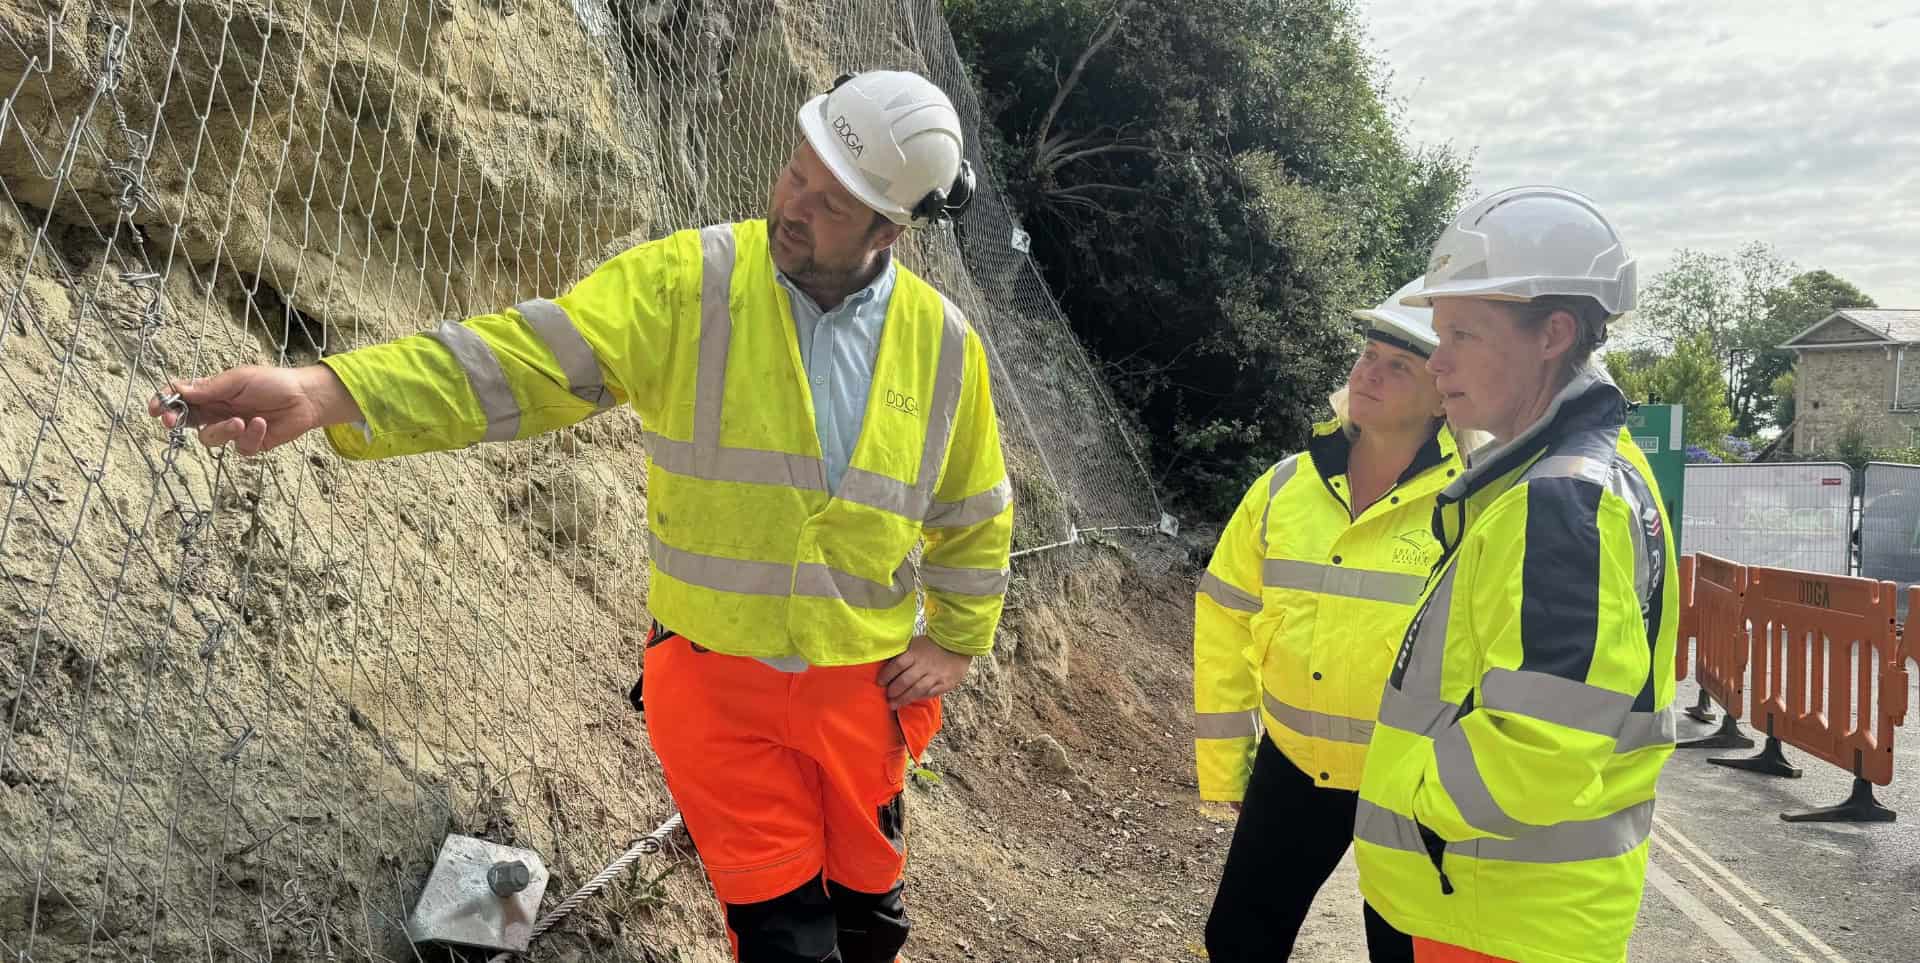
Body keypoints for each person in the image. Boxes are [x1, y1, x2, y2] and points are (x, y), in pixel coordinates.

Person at [149, 69, 1013, 963]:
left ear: (890, 227)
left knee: (871, 923)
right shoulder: (694, 283)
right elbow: (517, 362)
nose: (793, 204)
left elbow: (975, 509)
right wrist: (327, 389)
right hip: (720, 695)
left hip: (859, 697)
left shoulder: (944, 344)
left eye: (831, 203)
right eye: (796, 170)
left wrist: (956, 637)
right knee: (786, 938)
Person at [1351, 186, 1679, 963]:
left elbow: (1544, 746)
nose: (1440, 362)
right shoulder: (1563, 474)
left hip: (1498, 915)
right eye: (1439, 334)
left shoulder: (1563, 498)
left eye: (1463, 333)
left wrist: (1415, 798)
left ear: (1552, 334)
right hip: (1493, 903)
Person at [1194, 279, 1477, 962]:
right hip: (1295, 764)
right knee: (1237, 940)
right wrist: (1229, 767)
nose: (1368, 372)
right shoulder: (1284, 487)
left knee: (1405, 954)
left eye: (1397, 364)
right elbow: (1224, 619)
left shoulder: (1471, 504)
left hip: (1413, 785)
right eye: (1368, 354)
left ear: (1442, 391)